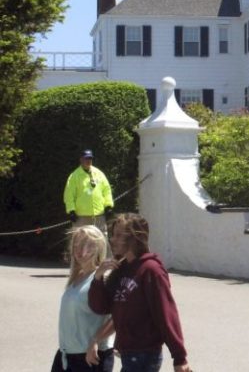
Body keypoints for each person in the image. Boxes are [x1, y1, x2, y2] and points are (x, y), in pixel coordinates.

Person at [89, 213, 191, 372]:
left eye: (119, 235)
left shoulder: (151, 270)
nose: (112, 240)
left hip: (145, 355)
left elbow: (166, 314)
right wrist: (98, 278)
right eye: (113, 235)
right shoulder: (122, 269)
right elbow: (101, 307)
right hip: (129, 354)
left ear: (134, 238)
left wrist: (180, 357)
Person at [52, 226, 115, 372]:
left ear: (99, 247)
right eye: (76, 245)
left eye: (87, 245)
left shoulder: (103, 277)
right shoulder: (76, 277)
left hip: (90, 356)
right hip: (65, 355)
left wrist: (96, 340)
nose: (80, 250)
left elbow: (117, 317)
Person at [64, 150, 114, 233]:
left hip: (99, 216)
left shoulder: (99, 173)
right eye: (86, 158)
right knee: (81, 240)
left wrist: (108, 206)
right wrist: (71, 211)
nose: (88, 161)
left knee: (101, 239)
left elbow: (107, 190)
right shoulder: (74, 176)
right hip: (81, 218)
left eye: (90, 158)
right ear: (81, 159)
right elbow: (69, 195)